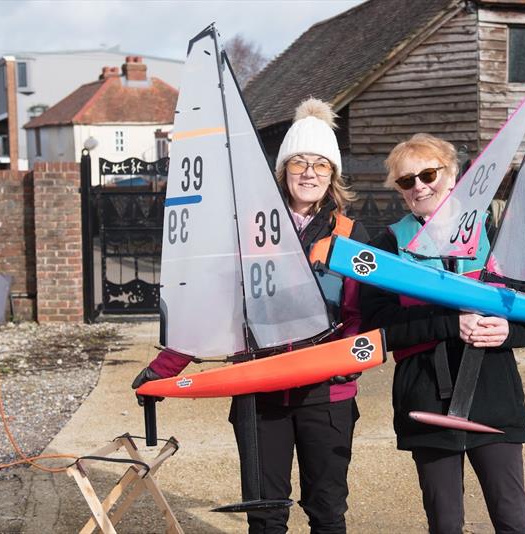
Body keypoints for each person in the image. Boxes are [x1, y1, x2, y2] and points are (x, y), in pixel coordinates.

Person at [133, 98, 369, 534]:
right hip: (260, 390)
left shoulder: (351, 234)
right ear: (283, 171)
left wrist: (344, 365)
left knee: (328, 510)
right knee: (265, 513)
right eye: (300, 162)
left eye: (320, 163)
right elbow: (212, 306)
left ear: (333, 174)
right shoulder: (246, 233)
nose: (310, 172)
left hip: (326, 393)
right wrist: (163, 369)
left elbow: (361, 312)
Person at [359, 133, 525, 534]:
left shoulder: (494, 234)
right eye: (406, 181)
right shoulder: (387, 245)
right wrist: (449, 323)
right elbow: (379, 324)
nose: (419, 186)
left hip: (494, 395)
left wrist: (508, 330)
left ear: (453, 174)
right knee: (445, 524)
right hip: (426, 395)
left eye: (428, 174)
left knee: (513, 519)